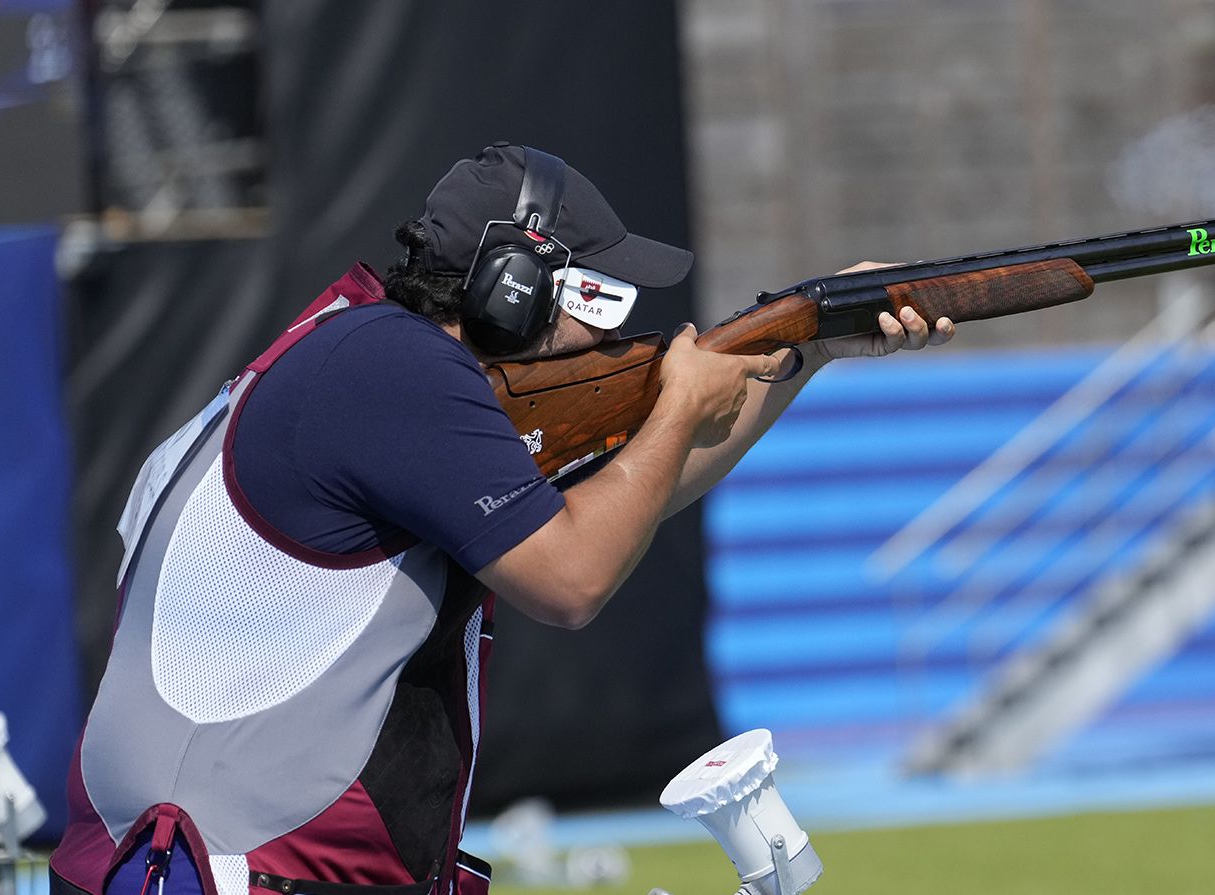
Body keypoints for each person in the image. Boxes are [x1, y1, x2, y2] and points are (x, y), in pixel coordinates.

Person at [48, 144, 953, 895]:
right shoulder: (396, 371)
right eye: (595, 299)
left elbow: (626, 503)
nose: (612, 332)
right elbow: (572, 579)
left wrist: (811, 346)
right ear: (511, 288)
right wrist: (675, 407)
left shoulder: (355, 351)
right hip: (223, 868)